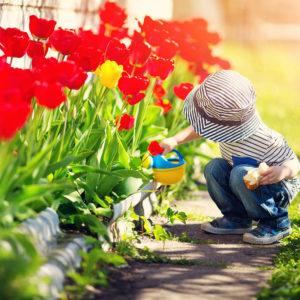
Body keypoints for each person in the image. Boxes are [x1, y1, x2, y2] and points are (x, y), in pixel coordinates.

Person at [160, 70, 300, 245]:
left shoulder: (266, 139)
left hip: (276, 188)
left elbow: (294, 162)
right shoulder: (226, 124)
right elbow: (201, 129)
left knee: (240, 173)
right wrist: (175, 139)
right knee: (214, 167)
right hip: (243, 184)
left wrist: (283, 171)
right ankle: (237, 218)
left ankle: (276, 222)